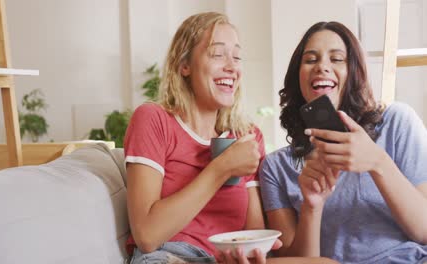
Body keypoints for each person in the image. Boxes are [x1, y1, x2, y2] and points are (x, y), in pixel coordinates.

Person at [124, 12, 336, 264]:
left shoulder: (246, 136)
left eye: (236, 57)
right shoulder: (154, 119)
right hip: (169, 255)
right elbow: (147, 235)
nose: (232, 66)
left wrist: (253, 251)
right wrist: (222, 168)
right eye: (217, 54)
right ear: (184, 65)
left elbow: (252, 231)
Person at [259, 21, 427, 263]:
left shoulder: (396, 123)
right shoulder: (276, 167)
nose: (322, 67)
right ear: (298, 77)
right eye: (310, 60)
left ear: (354, 72)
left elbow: (423, 231)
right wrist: (311, 206)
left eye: (337, 59)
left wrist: (378, 162)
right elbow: (298, 262)